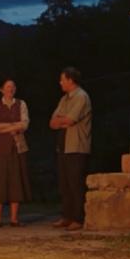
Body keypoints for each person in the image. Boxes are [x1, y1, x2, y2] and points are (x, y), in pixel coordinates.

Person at [48, 66, 91, 231]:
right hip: (63, 146)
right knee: (64, 183)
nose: (60, 82)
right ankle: (67, 215)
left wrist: (62, 120)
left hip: (77, 146)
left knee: (75, 183)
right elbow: (52, 122)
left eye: (62, 79)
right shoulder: (64, 99)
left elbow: (71, 120)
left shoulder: (81, 97)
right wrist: (61, 120)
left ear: (70, 80)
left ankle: (78, 218)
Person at [0, 78, 31, 227]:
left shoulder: (21, 104)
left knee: (15, 181)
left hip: (17, 147)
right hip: (0, 148)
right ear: (1, 89)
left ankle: (14, 218)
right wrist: (12, 126)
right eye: (7, 87)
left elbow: (24, 124)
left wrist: (4, 128)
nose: (10, 89)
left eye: (13, 86)